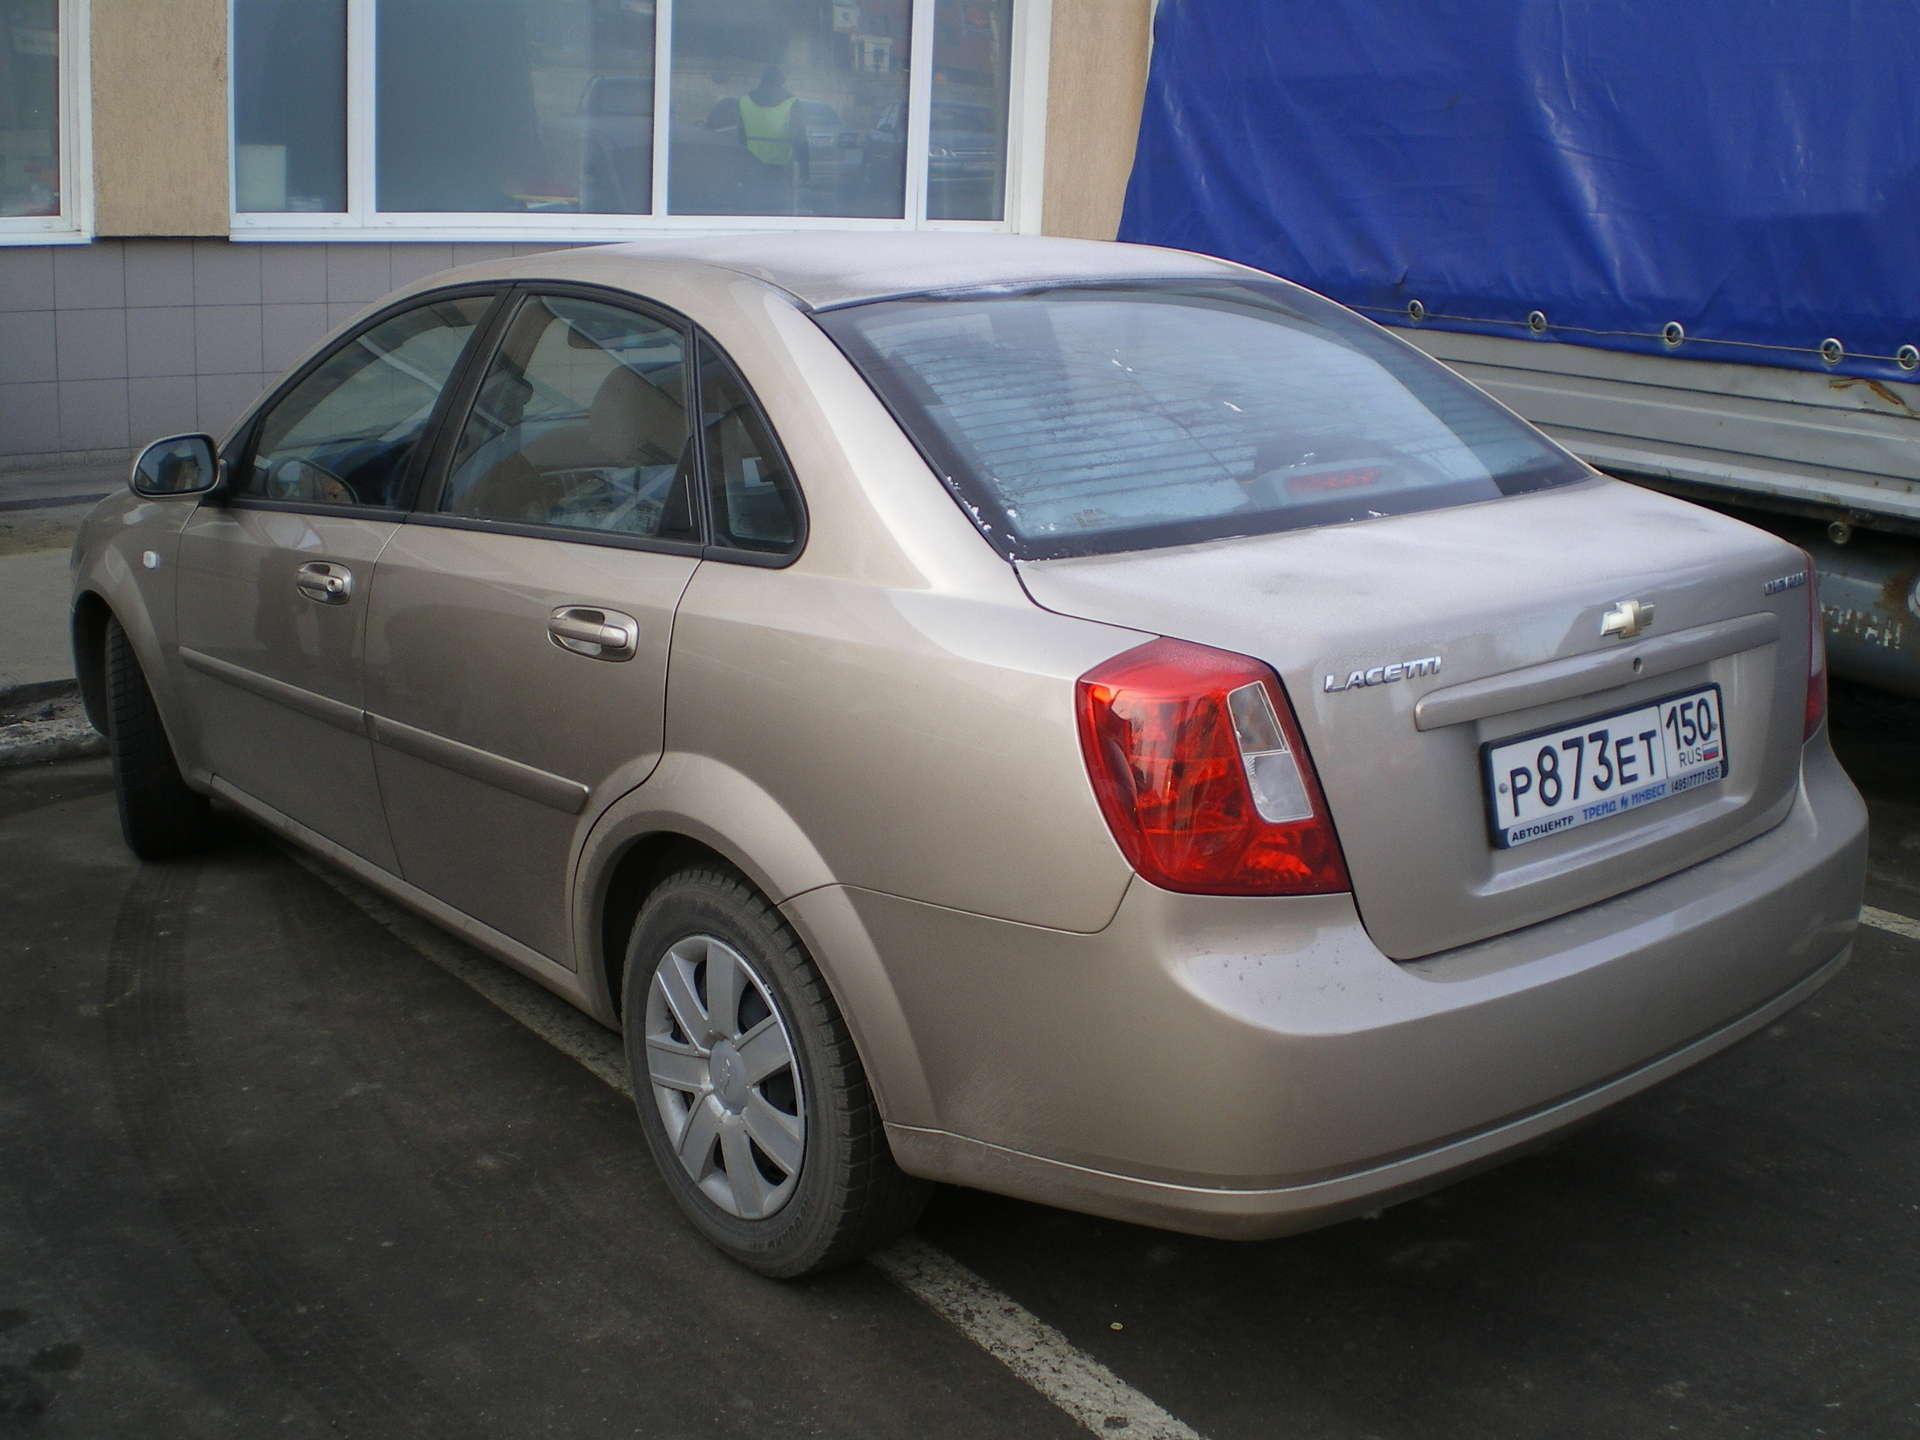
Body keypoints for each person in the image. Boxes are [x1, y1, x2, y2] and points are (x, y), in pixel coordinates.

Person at [733, 67, 809, 212]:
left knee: (754, 211)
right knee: (778, 213)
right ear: (781, 82)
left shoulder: (744, 101)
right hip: (781, 168)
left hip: (752, 166)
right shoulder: (792, 103)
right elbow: (800, 139)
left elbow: (740, 138)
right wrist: (805, 171)